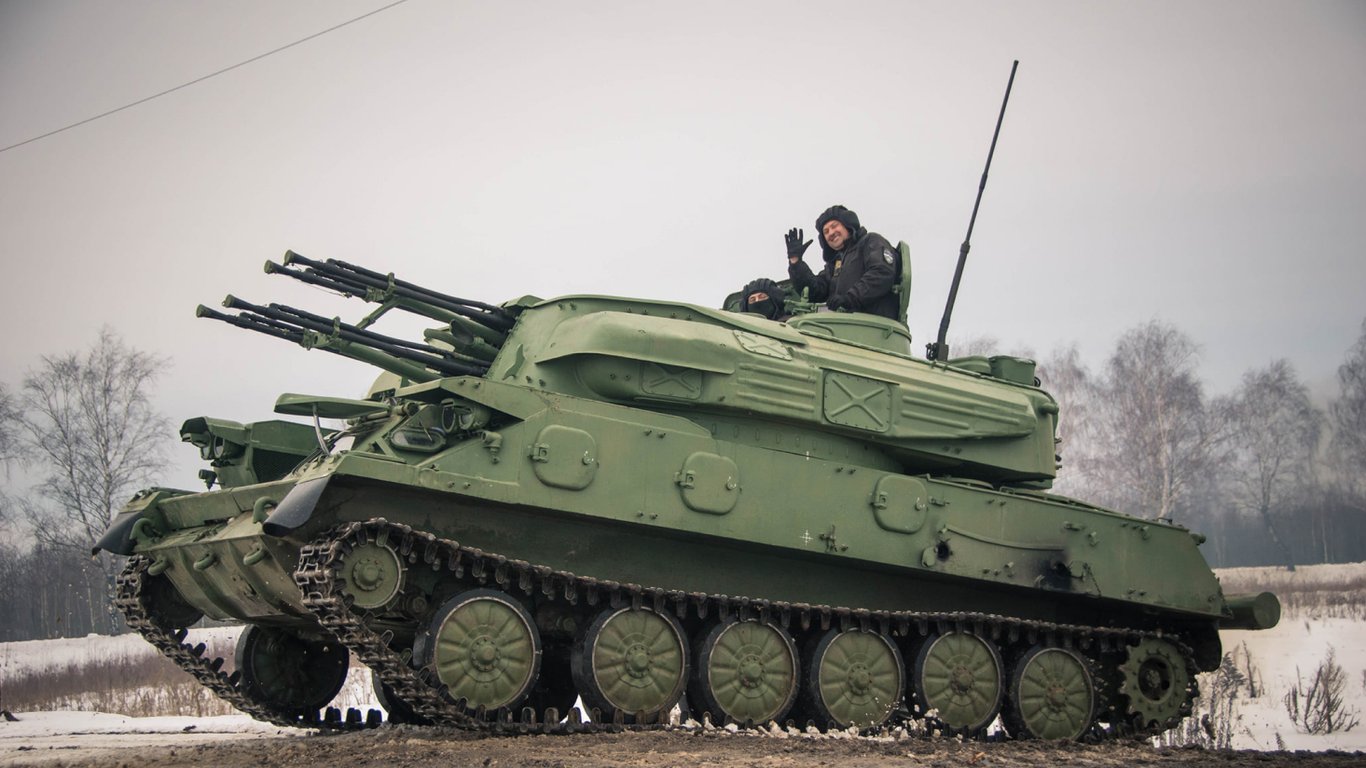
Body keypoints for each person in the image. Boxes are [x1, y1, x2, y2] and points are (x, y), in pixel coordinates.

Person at [786, 204, 899, 320]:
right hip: (841, 324)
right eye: (826, 231)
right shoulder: (835, 264)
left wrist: (850, 298)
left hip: (872, 322)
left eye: (834, 226)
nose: (831, 233)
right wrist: (796, 262)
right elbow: (815, 292)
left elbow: (881, 273)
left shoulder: (871, 242)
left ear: (847, 225)